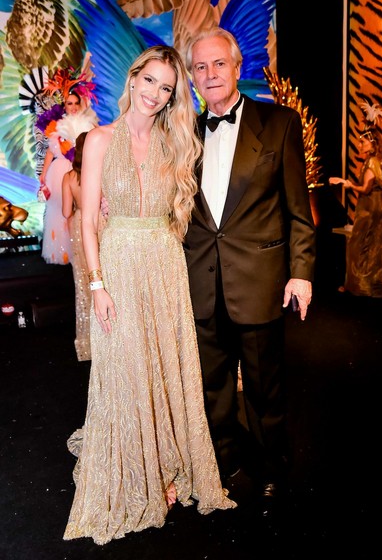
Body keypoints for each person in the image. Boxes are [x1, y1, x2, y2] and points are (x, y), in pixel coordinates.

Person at [63, 45, 236, 546]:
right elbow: (89, 221)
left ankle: (164, 466)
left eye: (166, 87)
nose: (155, 94)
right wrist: (97, 284)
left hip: (164, 266)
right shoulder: (100, 139)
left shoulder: (173, 143)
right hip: (117, 264)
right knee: (126, 368)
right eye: (149, 80)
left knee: (163, 367)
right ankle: (134, 471)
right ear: (133, 78)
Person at [183, 27, 316, 506]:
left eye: (219, 63)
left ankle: (272, 467)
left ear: (237, 67)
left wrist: (301, 273)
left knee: (264, 388)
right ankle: (222, 461)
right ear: (192, 76)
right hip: (200, 281)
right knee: (212, 387)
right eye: (200, 67)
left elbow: (298, 209)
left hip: (260, 282)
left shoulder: (278, 123)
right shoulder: (184, 133)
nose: (210, 74)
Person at [37, 68, 98, 265]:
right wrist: (43, 174)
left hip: (79, 172)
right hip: (58, 174)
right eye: (69, 103)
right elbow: (50, 152)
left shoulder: (89, 125)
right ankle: (63, 252)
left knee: (80, 210)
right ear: (64, 105)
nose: (72, 107)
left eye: (75, 103)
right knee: (60, 213)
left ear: (80, 104)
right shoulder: (56, 126)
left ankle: (82, 249)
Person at [329, 101, 382, 297]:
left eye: (362, 142)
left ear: (371, 143)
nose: (359, 145)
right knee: (372, 246)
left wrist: (347, 183)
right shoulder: (375, 160)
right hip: (376, 206)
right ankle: (371, 286)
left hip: (372, 209)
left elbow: (365, 188)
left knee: (360, 245)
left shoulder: (372, 161)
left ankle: (362, 286)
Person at [62, 132, 92, 361]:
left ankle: (88, 342)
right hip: (102, 223)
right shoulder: (100, 171)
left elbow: (66, 212)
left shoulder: (69, 177)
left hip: (80, 226)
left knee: (84, 283)